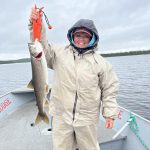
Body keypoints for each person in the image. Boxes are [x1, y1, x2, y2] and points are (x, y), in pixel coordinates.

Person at [29, 7, 119, 150]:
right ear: (72, 36)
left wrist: (109, 114)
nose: (81, 39)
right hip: (61, 116)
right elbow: (41, 46)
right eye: (78, 35)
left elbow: (109, 90)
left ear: (92, 38)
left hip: (87, 119)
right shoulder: (58, 53)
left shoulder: (102, 63)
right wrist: (35, 23)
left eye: (85, 36)